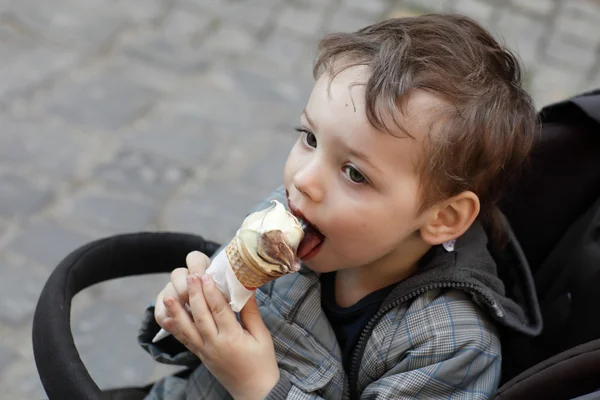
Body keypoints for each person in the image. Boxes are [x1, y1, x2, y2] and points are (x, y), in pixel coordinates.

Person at [137, 13, 542, 399]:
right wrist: (188, 319)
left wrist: (258, 388)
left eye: (354, 173)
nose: (304, 180)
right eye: (310, 138)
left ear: (443, 217)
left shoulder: (449, 347)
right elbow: (191, 349)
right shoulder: (285, 217)